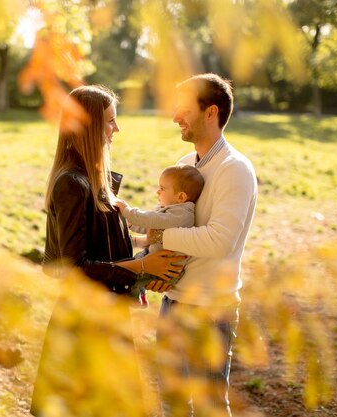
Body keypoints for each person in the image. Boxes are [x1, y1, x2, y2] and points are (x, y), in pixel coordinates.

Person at [31, 85, 185, 417]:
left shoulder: (95, 179)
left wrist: (149, 249)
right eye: (110, 122)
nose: (117, 129)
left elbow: (105, 245)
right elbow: (76, 264)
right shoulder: (71, 184)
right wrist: (142, 268)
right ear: (89, 127)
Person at [146, 73, 257, 417]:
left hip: (211, 310)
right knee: (172, 404)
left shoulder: (235, 170)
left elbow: (219, 240)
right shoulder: (182, 166)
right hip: (173, 304)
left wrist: (159, 236)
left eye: (184, 109)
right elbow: (170, 223)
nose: (175, 117)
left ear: (211, 113)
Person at [115, 165, 205, 307]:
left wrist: (128, 212)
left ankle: (133, 299)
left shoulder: (181, 215)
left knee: (130, 276)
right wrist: (131, 224)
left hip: (165, 268)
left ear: (181, 197)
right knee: (132, 262)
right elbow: (151, 228)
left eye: (162, 189)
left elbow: (151, 220)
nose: (158, 192)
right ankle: (141, 293)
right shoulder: (172, 210)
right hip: (154, 255)